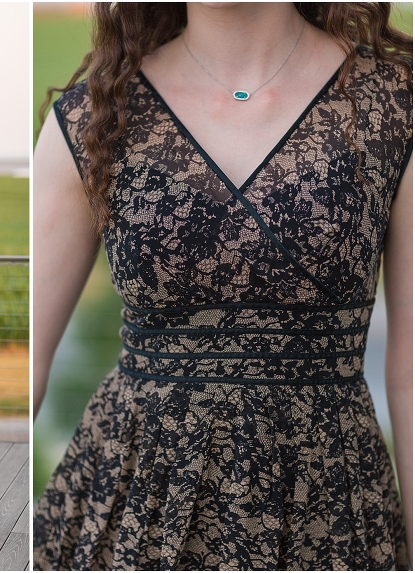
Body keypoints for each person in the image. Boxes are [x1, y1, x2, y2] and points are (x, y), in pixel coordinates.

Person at [33, 3, 411, 570]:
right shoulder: (94, 112)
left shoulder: (396, 101)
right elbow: (30, 362)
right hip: (137, 505)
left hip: (327, 505)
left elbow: (409, 375)